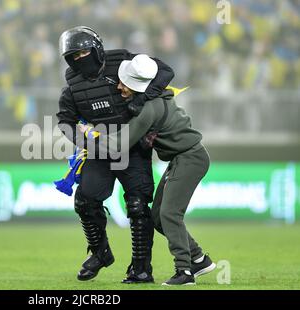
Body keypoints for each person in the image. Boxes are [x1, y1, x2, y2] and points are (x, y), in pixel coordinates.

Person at [56, 26, 174, 283]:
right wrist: (86, 142)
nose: (80, 59)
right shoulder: (72, 84)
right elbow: (65, 121)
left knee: (138, 205)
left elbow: (164, 71)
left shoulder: (123, 61)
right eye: (74, 56)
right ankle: (100, 253)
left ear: (97, 48)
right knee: (85, 201)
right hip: (100, 149)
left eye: (84, 52)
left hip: (134, 147)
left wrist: (143, 99)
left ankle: (141, 269)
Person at [91, 54, 216, 285]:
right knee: (158, 217)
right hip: (184, 158)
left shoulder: (149, 109)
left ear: (137, 86)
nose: (119, 86)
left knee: (169, 214)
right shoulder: (154, 100)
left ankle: (185, 272)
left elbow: (120, 143)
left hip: (189, 158)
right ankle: (198, 259)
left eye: (124, 83)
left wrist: (90, 138)